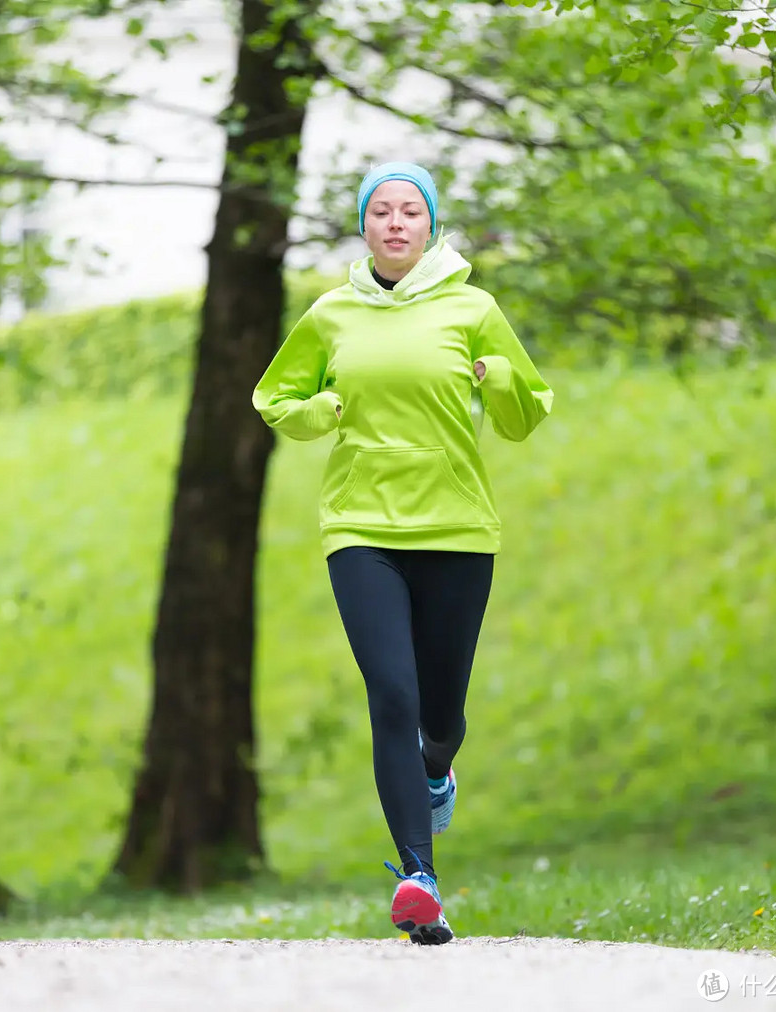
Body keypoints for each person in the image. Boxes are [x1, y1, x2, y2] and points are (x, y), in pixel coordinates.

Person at [252, 161, 553, 945]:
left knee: (441, 715)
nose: (394, 223)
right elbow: (275, 397)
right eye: (380, 211)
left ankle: (438, 768)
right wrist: (320, 410)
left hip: (456, 529)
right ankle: (419, 878)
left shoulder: (474, 308)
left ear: (430, 226)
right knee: (392, 694)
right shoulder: (331, 315)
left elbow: (527, 413)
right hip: (361, 529)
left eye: (409, 211)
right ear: (363, 227)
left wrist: (499, 381)